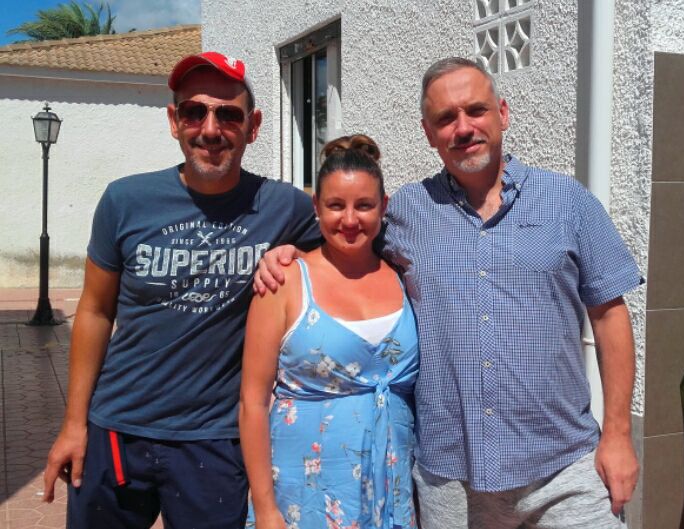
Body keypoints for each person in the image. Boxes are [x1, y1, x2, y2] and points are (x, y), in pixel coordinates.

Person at [255, 57, 643, 528]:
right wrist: (292, 254)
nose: (463, 128)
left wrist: (618, 434)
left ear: (502, 113)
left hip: (562, 464)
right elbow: (348, 237)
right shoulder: (408, 211)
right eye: (446, 118)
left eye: (476, 110)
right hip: (450, 478)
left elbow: (609, 314)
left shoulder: (568, 201)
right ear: (428, 132)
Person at [42, 51, 320, 529]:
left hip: (215, 441)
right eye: (194, 112)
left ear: (253, 126)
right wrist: (73, 425)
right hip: (118, 429)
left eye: (228, 115)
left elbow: (349, 242)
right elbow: (95, 311)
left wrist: (298, 254)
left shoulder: (285, 207)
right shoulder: (125, 200)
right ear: (174, 121)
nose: (210, 129)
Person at [240, 135, 419, 529]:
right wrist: (265, 508)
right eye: (336, 205)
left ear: (384, 206)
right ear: (316, 208)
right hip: (303, 495)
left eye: (364, 205)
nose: (350, 220)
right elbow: (253, 402)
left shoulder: (404, 275)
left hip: (390, 489)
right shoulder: (284, 282)